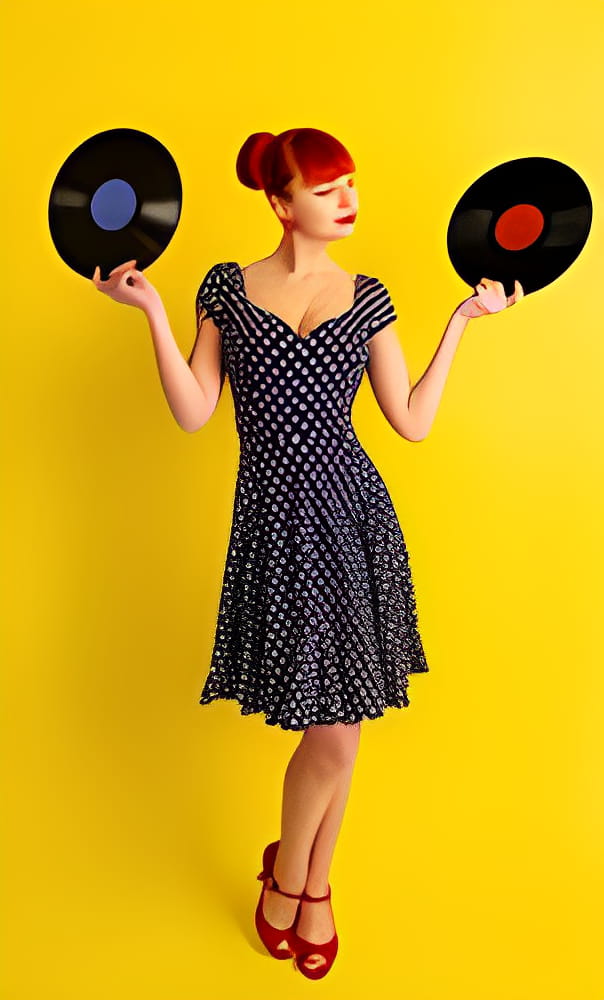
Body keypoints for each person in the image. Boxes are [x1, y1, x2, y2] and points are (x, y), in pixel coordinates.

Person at [92, 127, 524, 979]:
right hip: (274, 523)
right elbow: (193, 409)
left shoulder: (367, 296)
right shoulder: (224, 287)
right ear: (281, 203)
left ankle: (299, 881)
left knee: (342, 729)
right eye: (325, 188)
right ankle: (302, 881)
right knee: (333, 731)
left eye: (351, 183)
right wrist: (148, 311)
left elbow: (411, 419)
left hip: (353, 518)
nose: (347, 199)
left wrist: (463, 323)